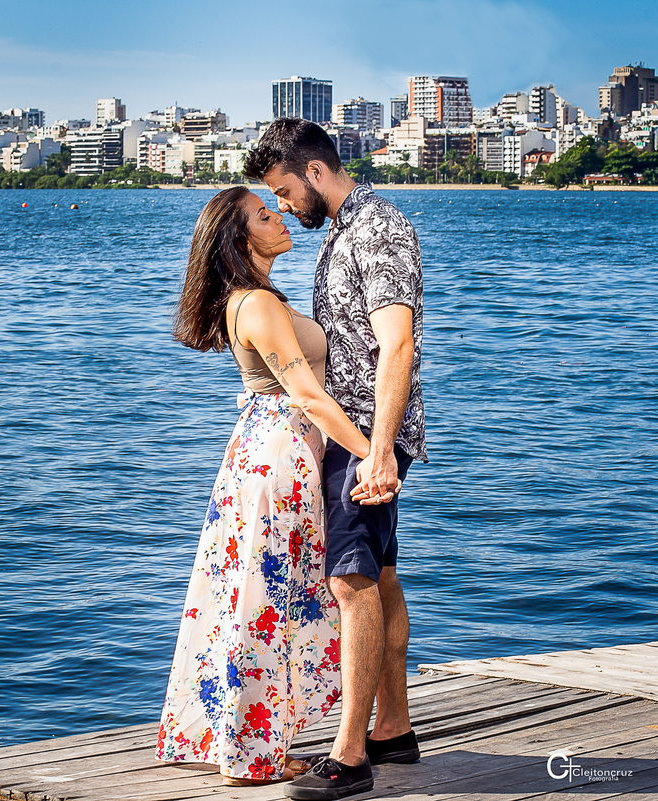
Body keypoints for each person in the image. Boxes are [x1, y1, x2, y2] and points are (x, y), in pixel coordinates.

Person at [154, 186, 384, 786]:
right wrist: (371, 455)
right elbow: (308, 394)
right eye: (264, 213)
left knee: (260, 596)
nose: (279, 214)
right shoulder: (256, 303)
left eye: (274, 205)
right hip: (280, 452)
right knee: (265, 600)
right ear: (239, 239)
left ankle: (253, 747)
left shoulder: (258, 298)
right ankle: (253, 755)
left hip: (269, 447)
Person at [242, 118, 428, 800]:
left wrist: (377, 452)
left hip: (365, 439)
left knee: (349, 581)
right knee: (376, 574)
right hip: (360, 436)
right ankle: (393, 728)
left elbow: (397, 344)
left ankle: (350, 755)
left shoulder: (375, 228)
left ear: (315, 173)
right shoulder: (347, 232)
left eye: (285, 191)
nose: (285, 205)